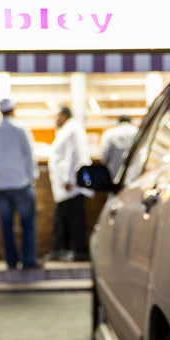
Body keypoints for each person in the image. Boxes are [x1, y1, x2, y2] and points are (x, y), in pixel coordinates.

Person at [0, 99, 42, 270]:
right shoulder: (20, 129)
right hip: (20, 183)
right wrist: (32, 177)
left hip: (0, 186)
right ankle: (28, 259)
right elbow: (30, 155)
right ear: (14, 110)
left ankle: (11, 261)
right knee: (28, 224)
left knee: (6, 225)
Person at [48, 106, 93, 261]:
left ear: (64, 115)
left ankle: (78, 251)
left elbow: (72, 155)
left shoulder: (72, 129)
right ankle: (62, 249)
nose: (56, 119)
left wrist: (68, 179)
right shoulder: (69, 129)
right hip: (67, 185)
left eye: (57, 116)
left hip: (71, 184)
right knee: (64, 218)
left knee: (75, 220)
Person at [100, 115, 137, 179]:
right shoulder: (137, 133)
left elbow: (104, 157)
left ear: (118, 122)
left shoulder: (109, 134)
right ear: (130, 122)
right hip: (133, 176)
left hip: (113, 175)